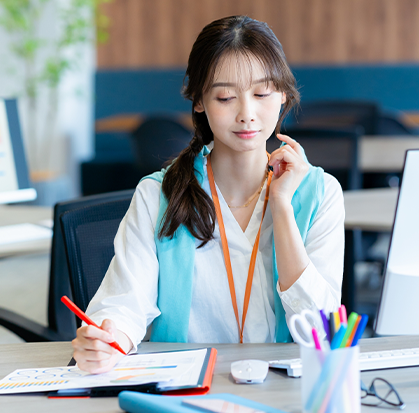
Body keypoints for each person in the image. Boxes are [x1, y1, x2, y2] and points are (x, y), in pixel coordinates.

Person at [72, 15, 345, 374]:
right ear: (200, 101)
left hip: (288, 392)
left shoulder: (320, 192)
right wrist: (107, 341)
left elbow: (325, 333)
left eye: (262, 93)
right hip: (182, 387)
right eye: (226, 97)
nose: (247, 114)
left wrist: (281, 206)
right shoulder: (158, 194)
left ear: (282, 96)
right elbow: (124, 304)